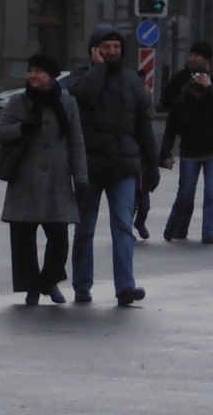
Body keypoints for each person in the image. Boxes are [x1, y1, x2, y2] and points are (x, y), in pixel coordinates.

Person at [67, 25, 158, 307]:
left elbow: (144, 126)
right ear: (95, 50)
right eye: (106, 47)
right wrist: (97, 69)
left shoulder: (132, 81)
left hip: (124, 166)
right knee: (85, 229)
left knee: (122, 226)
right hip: (90, 168)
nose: (112, 51)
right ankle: (82, 285)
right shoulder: (81, 78)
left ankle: (125, 286)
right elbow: (85, 97)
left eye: (116, 47)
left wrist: (152, 164)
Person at [0, 53, 88, 306]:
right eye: (31, 70)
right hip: (24, 180)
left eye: (39, 71)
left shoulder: (67, 103)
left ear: (51, 76)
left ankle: (49, 280)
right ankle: (31, 288)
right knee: (23, 240)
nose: (33, 75)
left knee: (59, 239)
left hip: (57, 180)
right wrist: (22, 127)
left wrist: (81, 179)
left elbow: (76, 142)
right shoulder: (18, 101)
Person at [160, 46, 213, 244]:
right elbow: (170, 130)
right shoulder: (182, 102)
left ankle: (209, 232)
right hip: (190, 153)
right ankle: (172, 228)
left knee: (211, 193)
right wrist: (165, 153)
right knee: (185, 194)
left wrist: (210, 88)